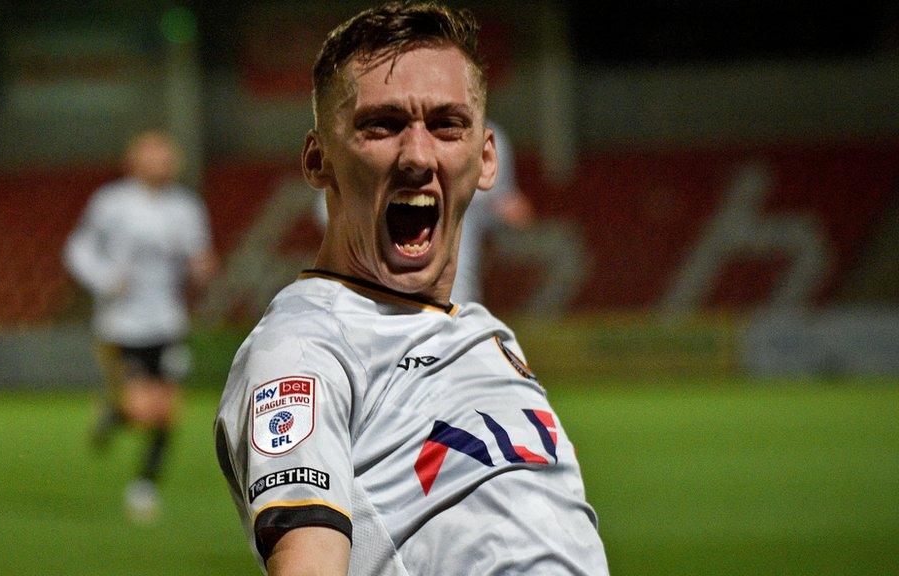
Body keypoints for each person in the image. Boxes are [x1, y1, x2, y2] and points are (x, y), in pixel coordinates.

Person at [214, 3, 608, 575]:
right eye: (383, 124)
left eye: (447, 124)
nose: (419, 156)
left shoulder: (486, 337)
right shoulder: (305, 351)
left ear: (487, 158)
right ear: (318, 159)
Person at [65, 131, 216, 523]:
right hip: (121, 325)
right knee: (142, 406)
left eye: (167, 156)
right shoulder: (111, 203)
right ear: (134, 160)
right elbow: (78, 249)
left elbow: (197, 255)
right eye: (153, 155)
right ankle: (114, 414)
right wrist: (104, 278)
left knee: (167, 411)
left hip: (166, 322)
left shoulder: (186, 207)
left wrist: (201, 267)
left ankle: (144, 486)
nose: (162, 162)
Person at [313, 119, 534, 305]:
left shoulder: (482, 139)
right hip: (380, 300)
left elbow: (512, 210)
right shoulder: (375, 140)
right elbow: (327, 213)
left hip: (456, 297)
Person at [450, 119, 533, 304]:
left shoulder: (493, 135)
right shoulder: (431, 133)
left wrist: (507, 205)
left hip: (490, 226)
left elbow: (510, 203)